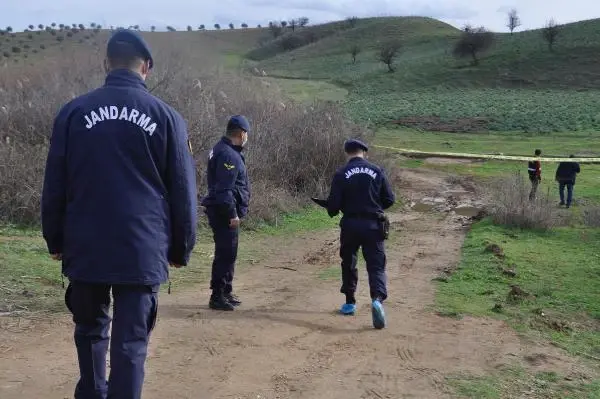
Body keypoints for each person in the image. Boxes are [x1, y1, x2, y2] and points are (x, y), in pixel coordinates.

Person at [41, 29, 197, 399]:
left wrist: (55, 238)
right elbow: (182, 191)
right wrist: (181, 247)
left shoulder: (73, 113)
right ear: (147, 67)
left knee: (91, 330)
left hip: (86, 244)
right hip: (142, 247)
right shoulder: (168, 118)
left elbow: (55, 183)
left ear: (106, 63)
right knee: (130, 341)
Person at [325, 139, 395, 329]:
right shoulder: (377, 171)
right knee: (376, 266)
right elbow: (389, 199)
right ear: (364, 152)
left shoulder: (341, 173)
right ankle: (377, 300)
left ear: (347, 152)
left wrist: (333, 207)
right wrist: (375, 205)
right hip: (374, 225)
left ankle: (349, 303)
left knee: (349, 263)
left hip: (350, 225)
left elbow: (333, 206)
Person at [201, 115, 251, 311]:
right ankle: (217, 295)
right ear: (241, 133)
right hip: (223, 212)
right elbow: (224, 190)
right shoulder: (228, 155)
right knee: (225, 253)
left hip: (223, 209)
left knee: (229, 253)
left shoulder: (223, 150)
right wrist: (232, 214)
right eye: (246, 133)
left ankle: (226, 290)